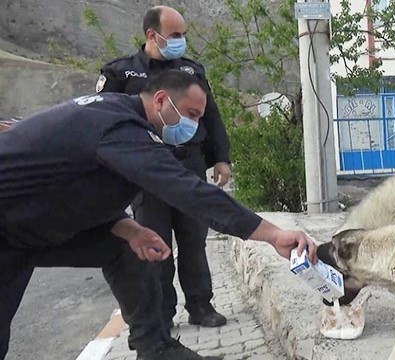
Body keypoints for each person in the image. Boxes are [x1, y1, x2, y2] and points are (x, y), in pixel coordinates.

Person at [0, 70, 318, 360]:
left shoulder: (114, 112)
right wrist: (273, 234)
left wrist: (127, 227)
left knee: (130, 247)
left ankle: (155, 349)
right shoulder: (121, 127)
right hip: (9, 228)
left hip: (31, 228)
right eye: (191, 115)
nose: (193, 127)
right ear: (162, 100)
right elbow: (188, 191)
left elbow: (74, 183)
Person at [97, 5, 232, 328]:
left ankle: (201, 305)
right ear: (151, 34)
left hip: (189, 164)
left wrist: (221, 158)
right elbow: (104, 121)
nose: (180, 41)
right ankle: (162, 312)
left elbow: (210, 116)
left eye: (183, 35)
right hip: (146, 172)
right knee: (155, 244)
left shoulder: (191, 72)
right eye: (174, 35)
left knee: (194, 241)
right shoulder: (121, 73)